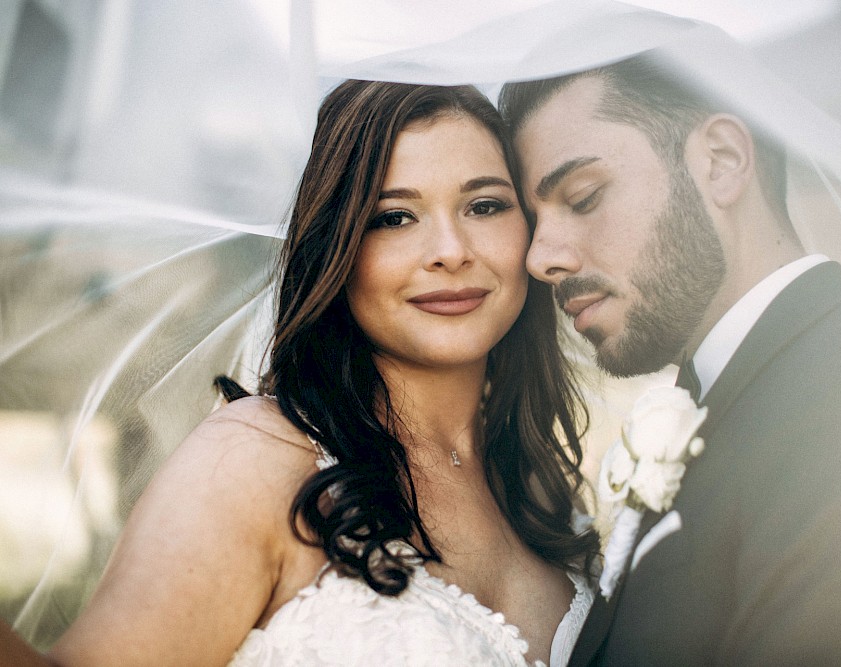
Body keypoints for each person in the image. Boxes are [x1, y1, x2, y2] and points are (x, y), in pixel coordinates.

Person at [1, 80, 599, 666]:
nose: (450, 249)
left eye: (485, 205)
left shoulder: (543, 490)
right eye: (393, 217)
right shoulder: (259, 459)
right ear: (336, 247)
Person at [499, 53, 841, 665]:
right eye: (532, 221)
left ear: (722, 162)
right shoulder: (711, 404)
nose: (540, 258)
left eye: (582, 197)